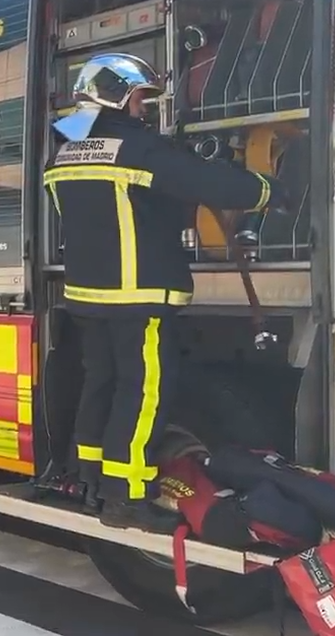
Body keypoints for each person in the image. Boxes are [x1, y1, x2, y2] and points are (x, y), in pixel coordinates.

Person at [44, 53, 288, 533]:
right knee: (141, 394)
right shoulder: (138, 149)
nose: (144, 108)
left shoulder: (65, 150)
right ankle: (125, 496)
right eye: (139, 98)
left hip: (88, 299)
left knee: (102, 385)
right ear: (115, 95)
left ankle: (90, 479)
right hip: (139, 297)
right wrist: (268, 191)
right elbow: (206, 183)